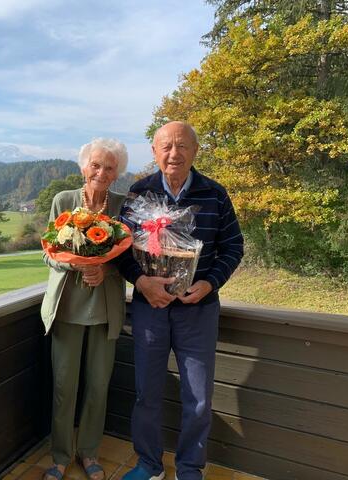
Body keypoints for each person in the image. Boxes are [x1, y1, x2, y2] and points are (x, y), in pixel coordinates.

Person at [117, 122, 243, 480]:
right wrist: (141, 282)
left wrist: (208, 284)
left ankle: (190, 469)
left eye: (182, 146)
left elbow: (233, 247)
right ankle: (149, 465)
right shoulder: (139, 193)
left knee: (199, 398)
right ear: (155, 152)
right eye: (166, 146)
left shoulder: (214, 194)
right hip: (149, 310)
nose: (174, 153)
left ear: (195, 151)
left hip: (198, 310)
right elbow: (120, 248)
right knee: (146, 394)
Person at [41, 138, 129, 480]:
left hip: (105, 311)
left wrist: (104, 269)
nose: (101, 172)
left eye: (109, 167)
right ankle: (61, 456)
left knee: (98, 386)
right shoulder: (63, 201)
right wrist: (75, 265)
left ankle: (90, 453)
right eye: (96, 165)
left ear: (117, 172)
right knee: (64, 386)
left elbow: (133, 260)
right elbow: (48, 252)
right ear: (83, 167)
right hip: (66, 308)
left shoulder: (123, 205)